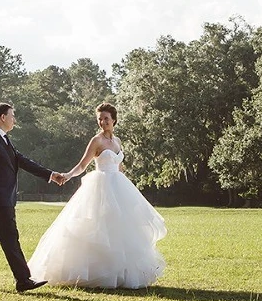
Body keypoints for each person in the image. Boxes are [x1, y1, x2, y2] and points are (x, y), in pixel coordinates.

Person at [28, 102, 167, 289]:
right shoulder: (97, 141)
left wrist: (126, 188)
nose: (103, 122)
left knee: (121, 229)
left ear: (114, 120)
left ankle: (122, 274)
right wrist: (67, 176)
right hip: (100, 187)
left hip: (118, 186)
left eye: (106, 119)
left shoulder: (117, 142)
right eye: (100, 119)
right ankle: (96, 273)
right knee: (98, 229)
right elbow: (82, 165)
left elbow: (119, 165)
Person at [0, 102, 67, 293]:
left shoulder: (4, 140)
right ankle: (23, 280)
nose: (14, 119)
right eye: (12, 115)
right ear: (2, 117)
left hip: (4, 200)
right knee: (11, 239)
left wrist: (50, 175)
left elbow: (23, 162)